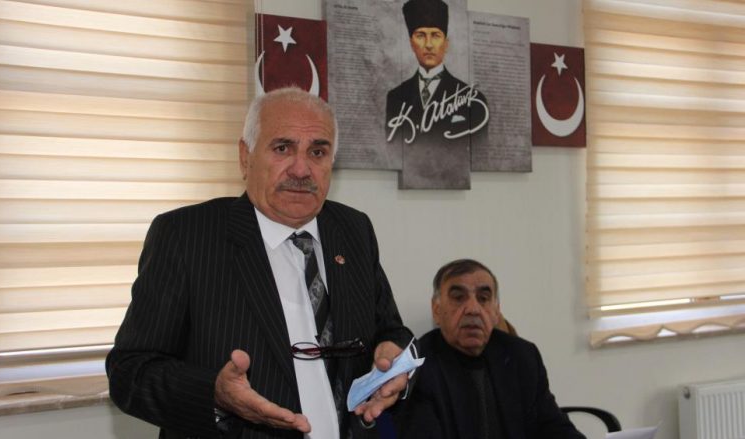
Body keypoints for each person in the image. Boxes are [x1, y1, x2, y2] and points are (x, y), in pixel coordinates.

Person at [107, 87, 414, 439]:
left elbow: (391, 330)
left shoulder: (353, 229)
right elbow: (129, 372)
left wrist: (393, 359)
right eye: (282, 148)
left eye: (317, 152)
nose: (301, 169)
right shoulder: (186, 236)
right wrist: (215, 395)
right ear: (245, 157)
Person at [395, 259, 585, 439]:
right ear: (436, 310)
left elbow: (554, 427)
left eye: (483, 298)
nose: (473, 308)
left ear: (496, 312)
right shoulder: (417, 367)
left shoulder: (522, 356)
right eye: (459, 298)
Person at [385, 0, 489, 189]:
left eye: (435, 35)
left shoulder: (473, 100)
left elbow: (478, 153)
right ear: (411, 43)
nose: (428, 44)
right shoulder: (396, 98)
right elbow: (392, 151)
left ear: (446, 43)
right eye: (420, 35)